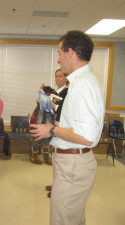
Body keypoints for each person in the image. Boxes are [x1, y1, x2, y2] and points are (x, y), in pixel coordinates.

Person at [30, 30, 105, 225]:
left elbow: (87, 136)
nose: (58, 59)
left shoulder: (82, 84)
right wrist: (52, 124)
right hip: (72, 162)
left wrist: (52, 130)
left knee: (63, 220)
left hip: (73, 164)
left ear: (70, 52)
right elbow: (76, 125)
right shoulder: (81, 82)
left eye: (59, 53)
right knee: (73, 219)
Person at [46, 69, 69, 197]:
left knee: (60, 162)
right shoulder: (55, 92)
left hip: (61, 128)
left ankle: (58, 189)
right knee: (55, 159)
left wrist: (53, 106)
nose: (57, 79)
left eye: (60, 76)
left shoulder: (68, 92)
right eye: (56, 76)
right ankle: (55, 184)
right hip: (53, 126)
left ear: (66, 78)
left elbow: (64, 110)